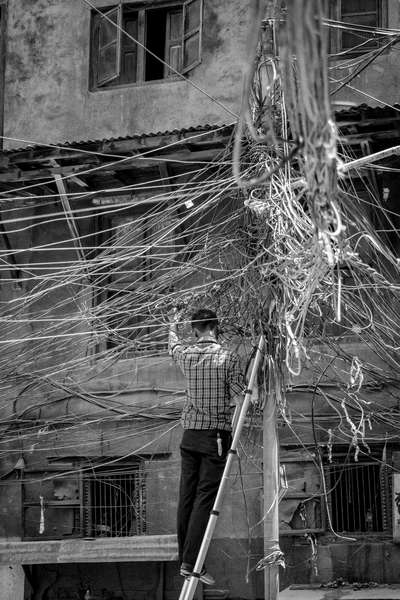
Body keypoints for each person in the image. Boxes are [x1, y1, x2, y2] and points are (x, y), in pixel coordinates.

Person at [169, 307, 246, 585]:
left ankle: (185, 561)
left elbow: (173, 344)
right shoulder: (228, 357)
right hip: (214, 437)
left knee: (186, 498)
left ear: (195, 330)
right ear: (216, 326)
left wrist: (173, 322)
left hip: (189, 436)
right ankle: (192, 562)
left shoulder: (186, 355)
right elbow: (242, 398)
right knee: (204, 500)